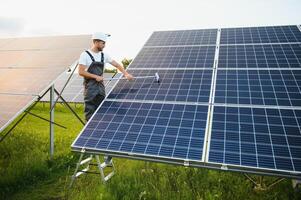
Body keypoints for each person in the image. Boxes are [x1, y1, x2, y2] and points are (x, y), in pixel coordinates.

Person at [78, 32, 134, 121]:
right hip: (90, 88)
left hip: (100, 87)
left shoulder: (104, 55)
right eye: (103, 43)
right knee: (90, 113)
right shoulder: (85, 55)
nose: (104, 45)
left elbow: (117, 65)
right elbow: (81, 72)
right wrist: (95, 76)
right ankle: (88, 133)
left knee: (102, 111)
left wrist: (126, 74)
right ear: (96, 42)